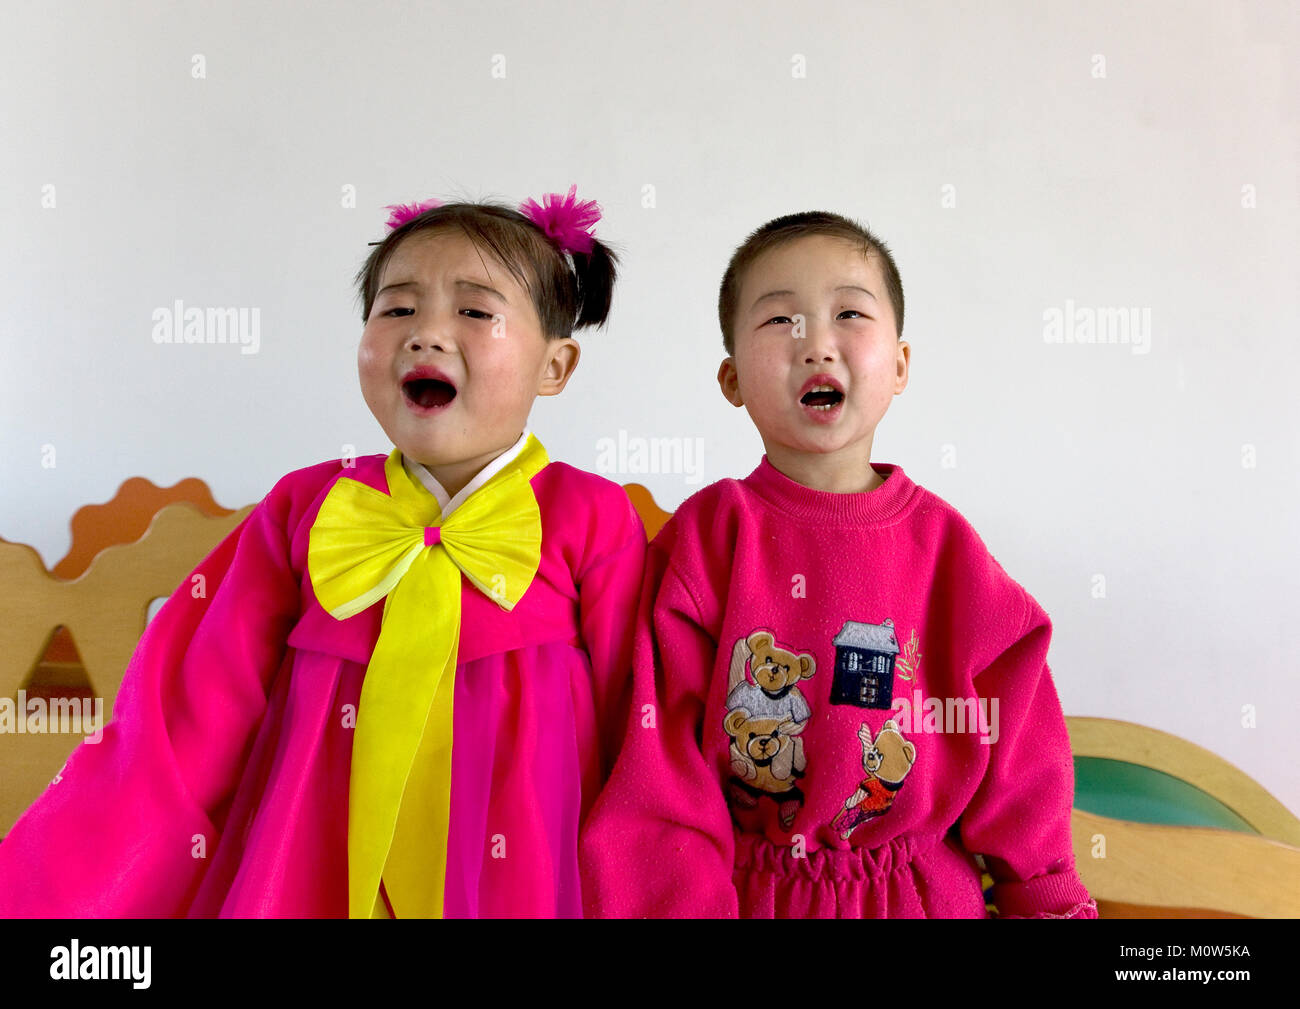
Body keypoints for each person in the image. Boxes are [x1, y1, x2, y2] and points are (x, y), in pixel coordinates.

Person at [0, 188, 646, 918]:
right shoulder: (307, 507)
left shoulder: (590, 515)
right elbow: (196, 711)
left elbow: (641, 728)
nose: (426, 334)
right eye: (397, 308)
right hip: (310, 865)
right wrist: (63, 881)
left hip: (522, 866)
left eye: (474, 310)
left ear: (554, 367)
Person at [579, 211, 1097, 918]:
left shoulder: (948, 549)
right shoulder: (710, 537)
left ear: (901, 365)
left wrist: (1042, 890)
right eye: (779, 321)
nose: (815, 343)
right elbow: (658, 766)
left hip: (922, 897)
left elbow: (1019, 736)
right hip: (746, 893)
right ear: (731, 379)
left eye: (848, 312)